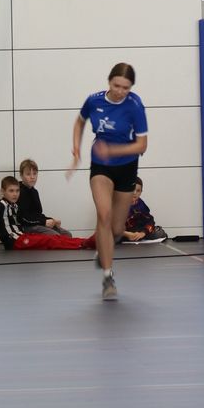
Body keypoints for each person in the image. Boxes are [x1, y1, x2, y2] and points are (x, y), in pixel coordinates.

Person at [69, 62, 149, 301]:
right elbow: (80, 121)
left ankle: (104, 249)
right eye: (116, 85)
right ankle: (107, 276)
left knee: (116, 229)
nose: (120, 91)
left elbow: (142, 145)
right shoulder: (94, 101)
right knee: (103, 215)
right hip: (101, 166)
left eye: (126, 87)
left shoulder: (135, 105)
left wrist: (112, 150)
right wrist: (76, 146)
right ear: (109, 81)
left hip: (127, 167)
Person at [0, 177, 96, 253]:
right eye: (11, 191)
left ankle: (86, 241)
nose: (15, 194)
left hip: (22, 237)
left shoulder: (14, 205)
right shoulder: (1, 205)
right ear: (2, 191)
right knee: (49, 240)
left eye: (17, 191)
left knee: (53, 238)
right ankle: (84, 244)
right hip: (16, 242)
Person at [17, 158, 71, 236]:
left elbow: (37, 215)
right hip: (26, 226)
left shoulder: (34, 191)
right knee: (56, 236)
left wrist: (52, 220)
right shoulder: (18, 192)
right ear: (21, 175)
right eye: (28, 174)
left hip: (37, 224)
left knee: (67, 234)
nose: (32, 177)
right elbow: (23, 218)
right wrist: (44, 222)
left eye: (35, 174)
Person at [122, 179, 168, 243]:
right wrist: (127, 234)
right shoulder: (118, 203)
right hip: (122, 232)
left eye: (138, 191)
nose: (134, 193)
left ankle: (137, 237)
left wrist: (143, 233)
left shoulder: (141, 204)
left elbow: (150, 221)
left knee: (159, 233)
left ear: (141, 192)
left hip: (136, 230)